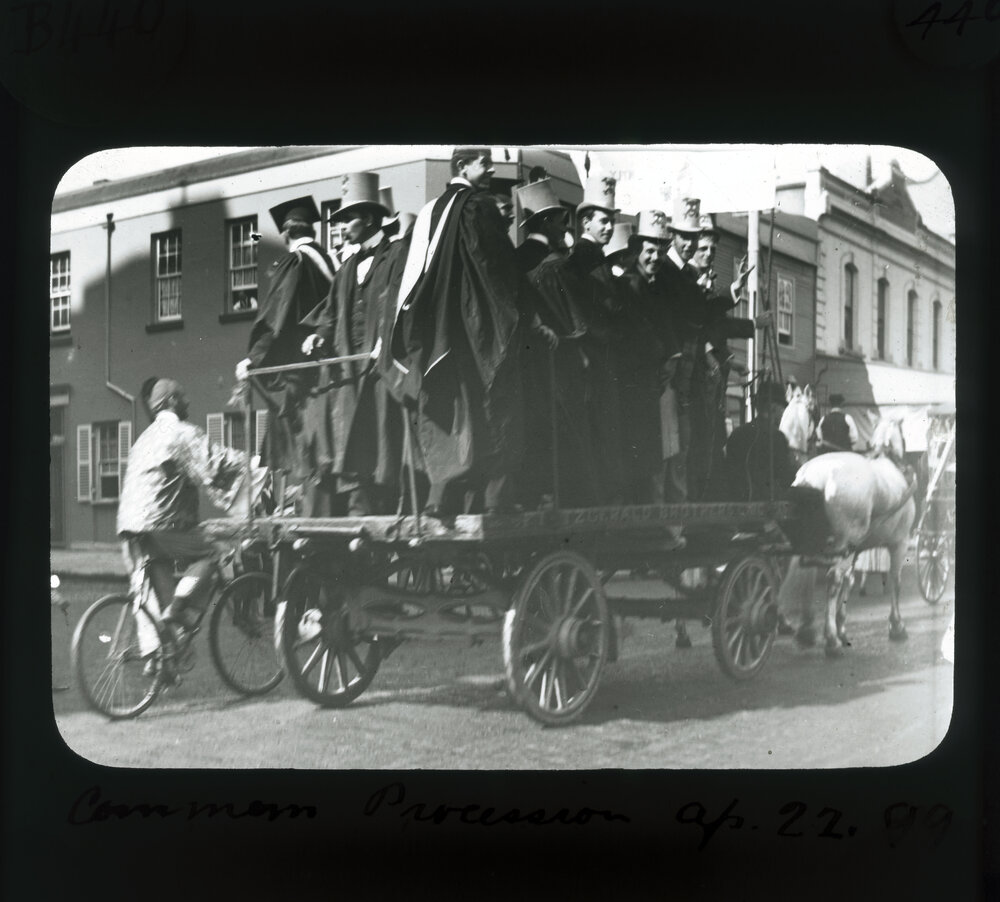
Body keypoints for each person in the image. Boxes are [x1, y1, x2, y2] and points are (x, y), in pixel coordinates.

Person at [391, 147, 529, 518]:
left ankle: (441, 498)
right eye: (485, 163)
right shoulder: (478, 207)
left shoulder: (428, 212)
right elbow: (494, 266)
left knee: (448, 408)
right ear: (462, 166)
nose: (491, 169)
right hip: (474, 324)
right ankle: (495, 500)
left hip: (439, 331)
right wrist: (517, 312)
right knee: (495, 404)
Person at [116, 379, 249, 661]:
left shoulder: (143, 439)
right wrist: (251, 461)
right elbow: (214, 462)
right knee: (216, 552)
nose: (188, 401)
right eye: (183, 396)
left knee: (159, 603)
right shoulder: (181, 432)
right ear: (172, 401)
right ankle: (179, 607)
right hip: (162, 523)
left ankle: (164, 662)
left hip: (130, 527)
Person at [301, 173, 409, 515]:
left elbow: (404, 305)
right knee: (348, 434)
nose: (342, 227)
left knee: (382, 436)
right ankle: (357, 508)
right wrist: (318, 335)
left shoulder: (397, 255)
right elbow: (332, 314)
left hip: (382, 365)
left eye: (348, 220)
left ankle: (383, 504)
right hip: (351, 365)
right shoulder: (347, 267)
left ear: (370, 220)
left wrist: (387, 343)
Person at [234, 196, 337, 514]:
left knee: (301, 444)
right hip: (324, 366)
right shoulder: (328, 261)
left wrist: (254, 358)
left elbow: (276, 315)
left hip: (299, 371)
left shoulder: (296, 261)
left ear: (286, 233)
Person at [527, 176, 624, 506]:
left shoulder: (578, 260)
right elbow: (583, 313)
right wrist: (585, 344)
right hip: (580, 356)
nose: (609, 227)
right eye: (603, 220)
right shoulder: (571, 262)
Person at [722, 380, 798, 502]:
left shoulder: (737, 433)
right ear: (773, 408)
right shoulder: (777, 437)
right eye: (782, 409)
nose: (783, 414)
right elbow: (787, 478)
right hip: (766, 502)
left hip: (737, 499)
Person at [515, 178, 568, 274]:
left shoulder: (517, 254)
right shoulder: (548, 257)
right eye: (561, 223)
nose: (565, 229)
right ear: (546, 223)